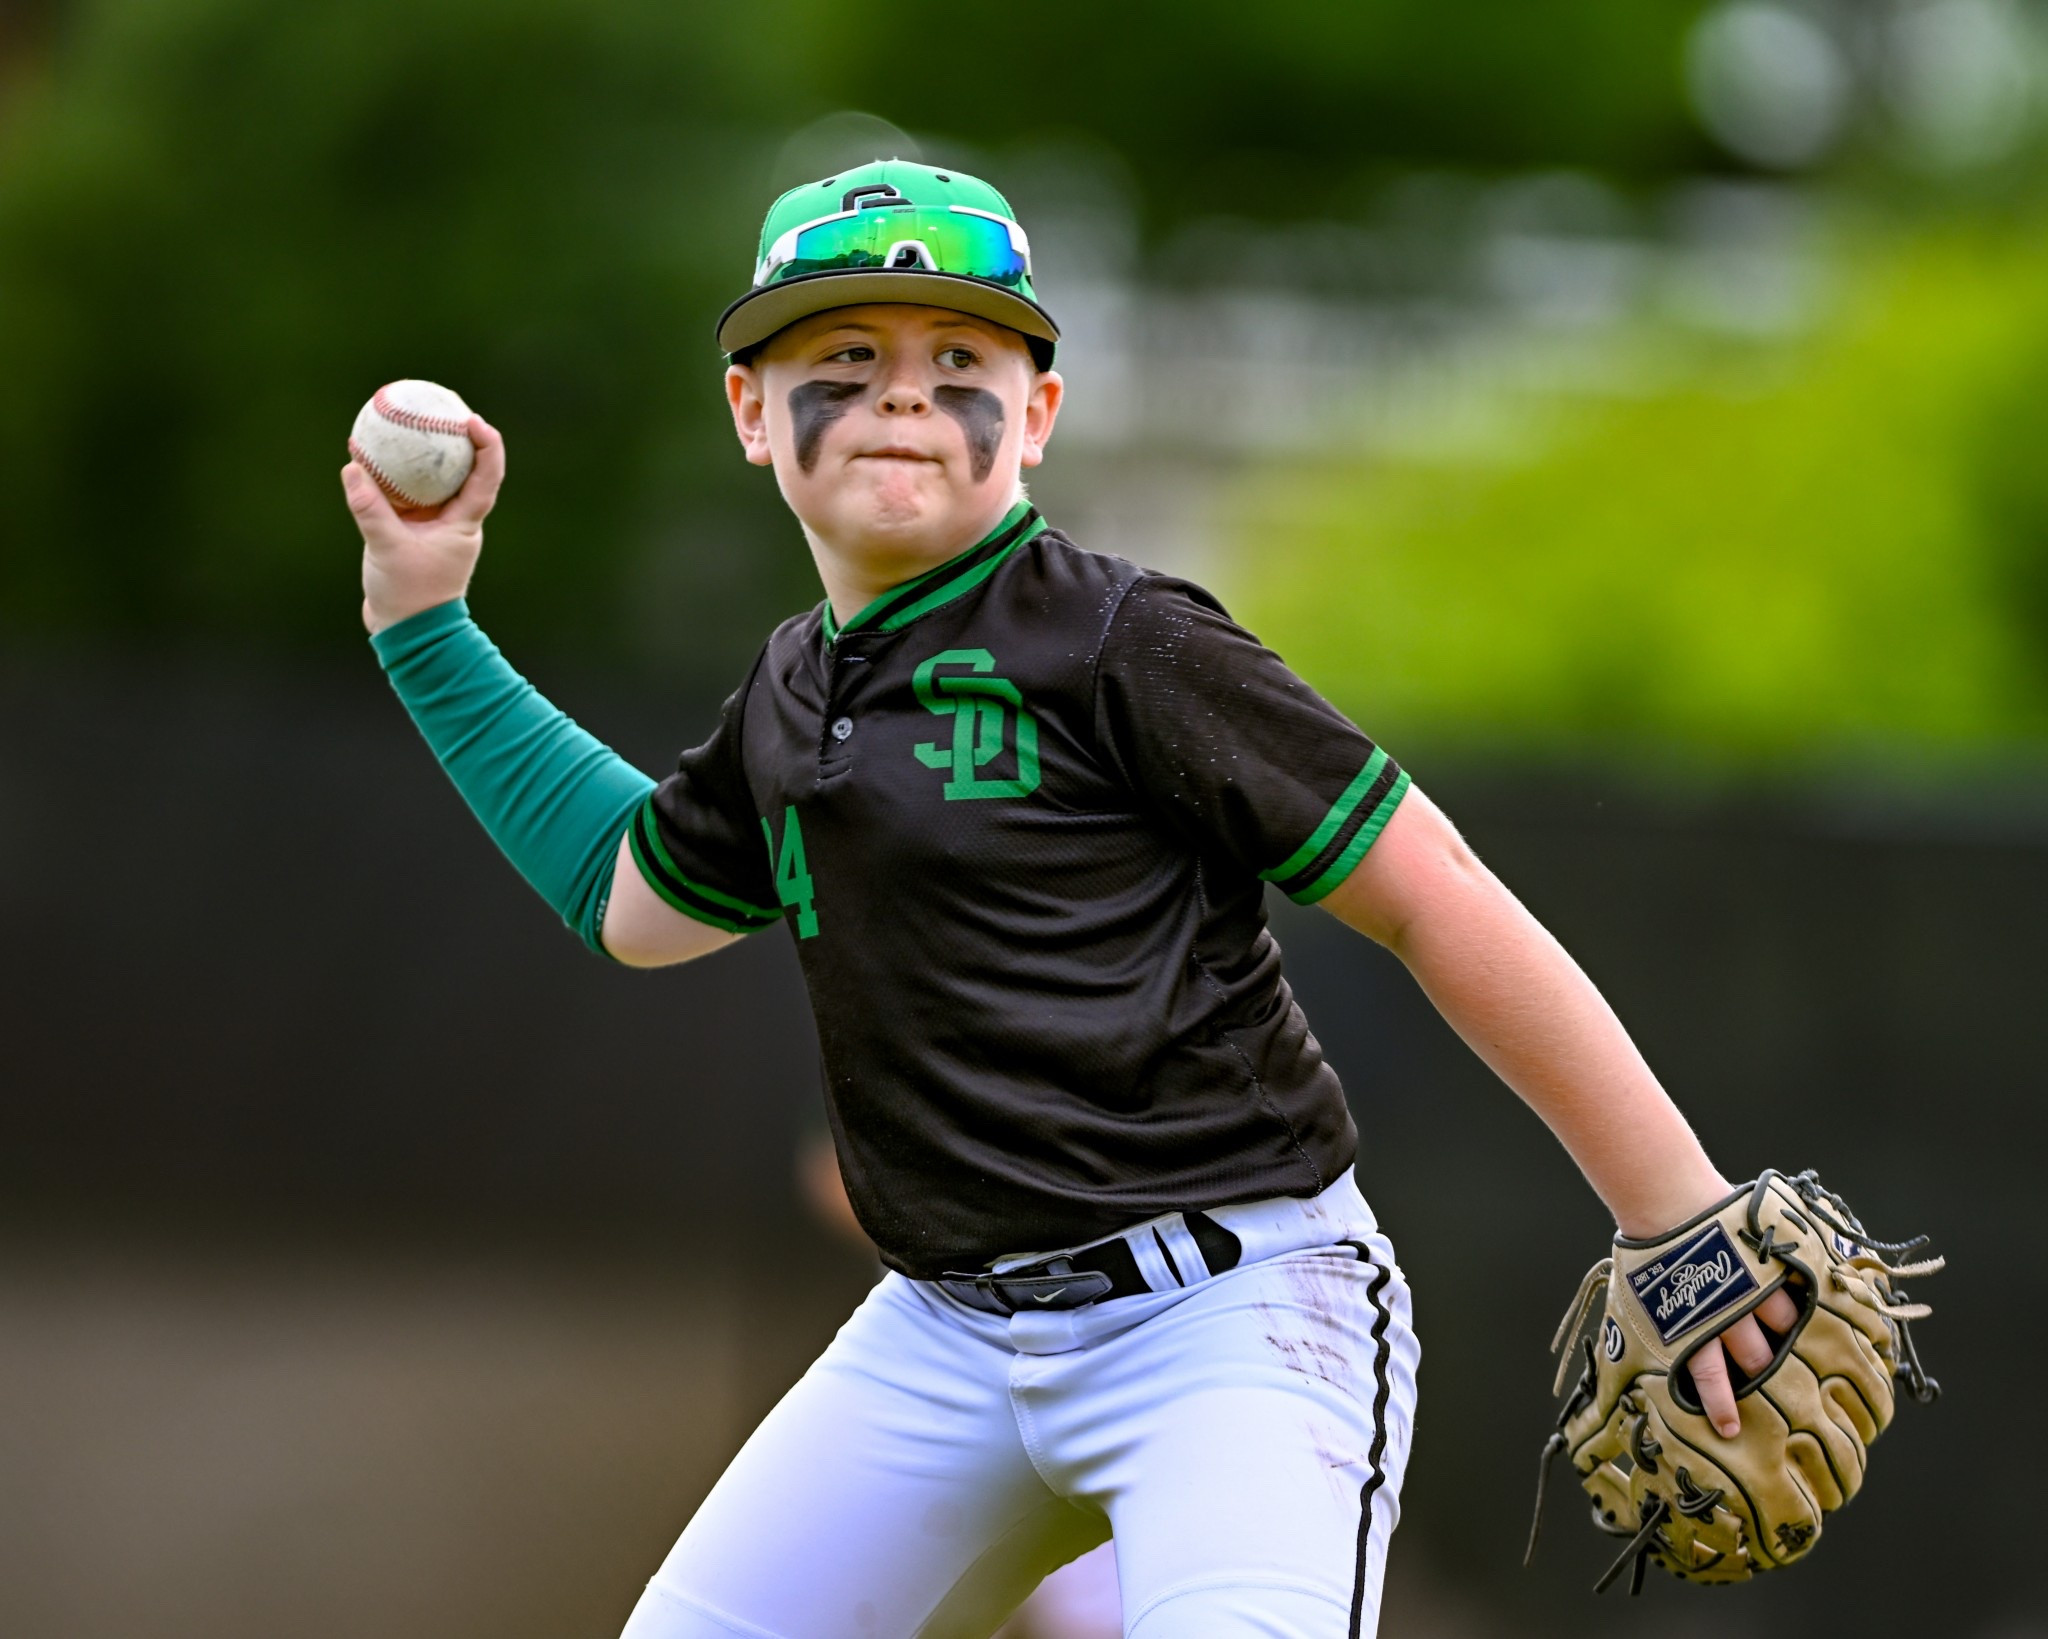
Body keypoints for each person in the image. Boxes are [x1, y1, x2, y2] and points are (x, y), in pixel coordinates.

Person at [341, 160, 1798, 1639]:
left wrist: (1674, 1215)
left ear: (1035, 416)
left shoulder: (1121, 641)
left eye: (958, 362)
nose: (905, 396)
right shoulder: (790, 693)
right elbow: (632, 896)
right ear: (747, 411)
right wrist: (423, 623)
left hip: (1227, 1311)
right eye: (845, 358)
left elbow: (1437, 894)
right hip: (944, 1334)